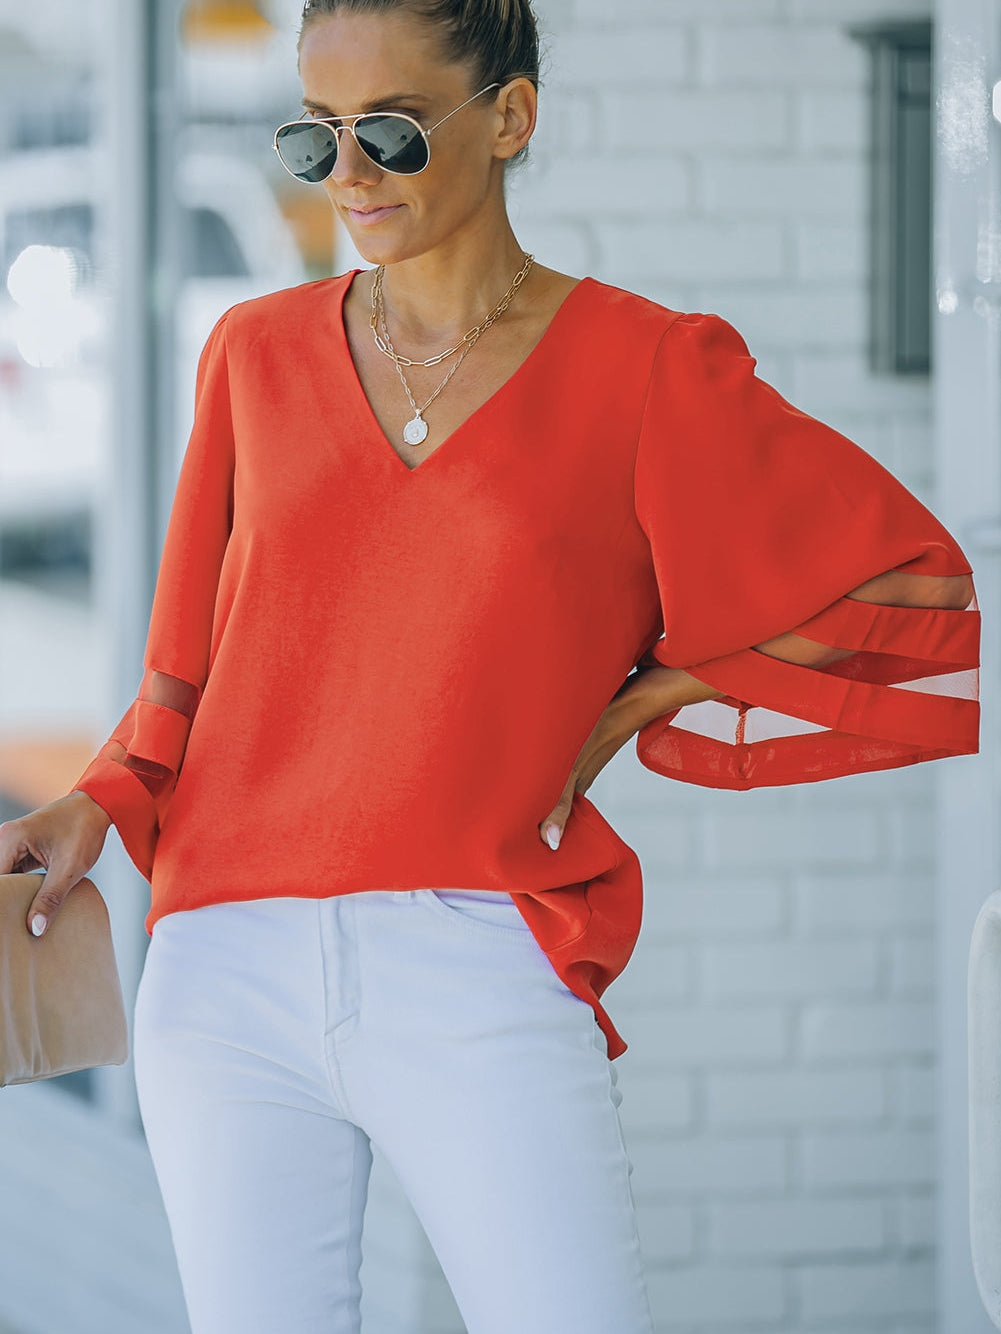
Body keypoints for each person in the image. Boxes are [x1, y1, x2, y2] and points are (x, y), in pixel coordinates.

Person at [0, 1, 980, 1331]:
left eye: (393, 132)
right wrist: (95, 801)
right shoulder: (254, 355)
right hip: (225, 961)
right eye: (316, 137)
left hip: (478, 952)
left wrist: (646, 696)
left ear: (509, 117)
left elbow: (905, 579)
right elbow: (183, 668)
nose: (349, 174)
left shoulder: (645, 367)